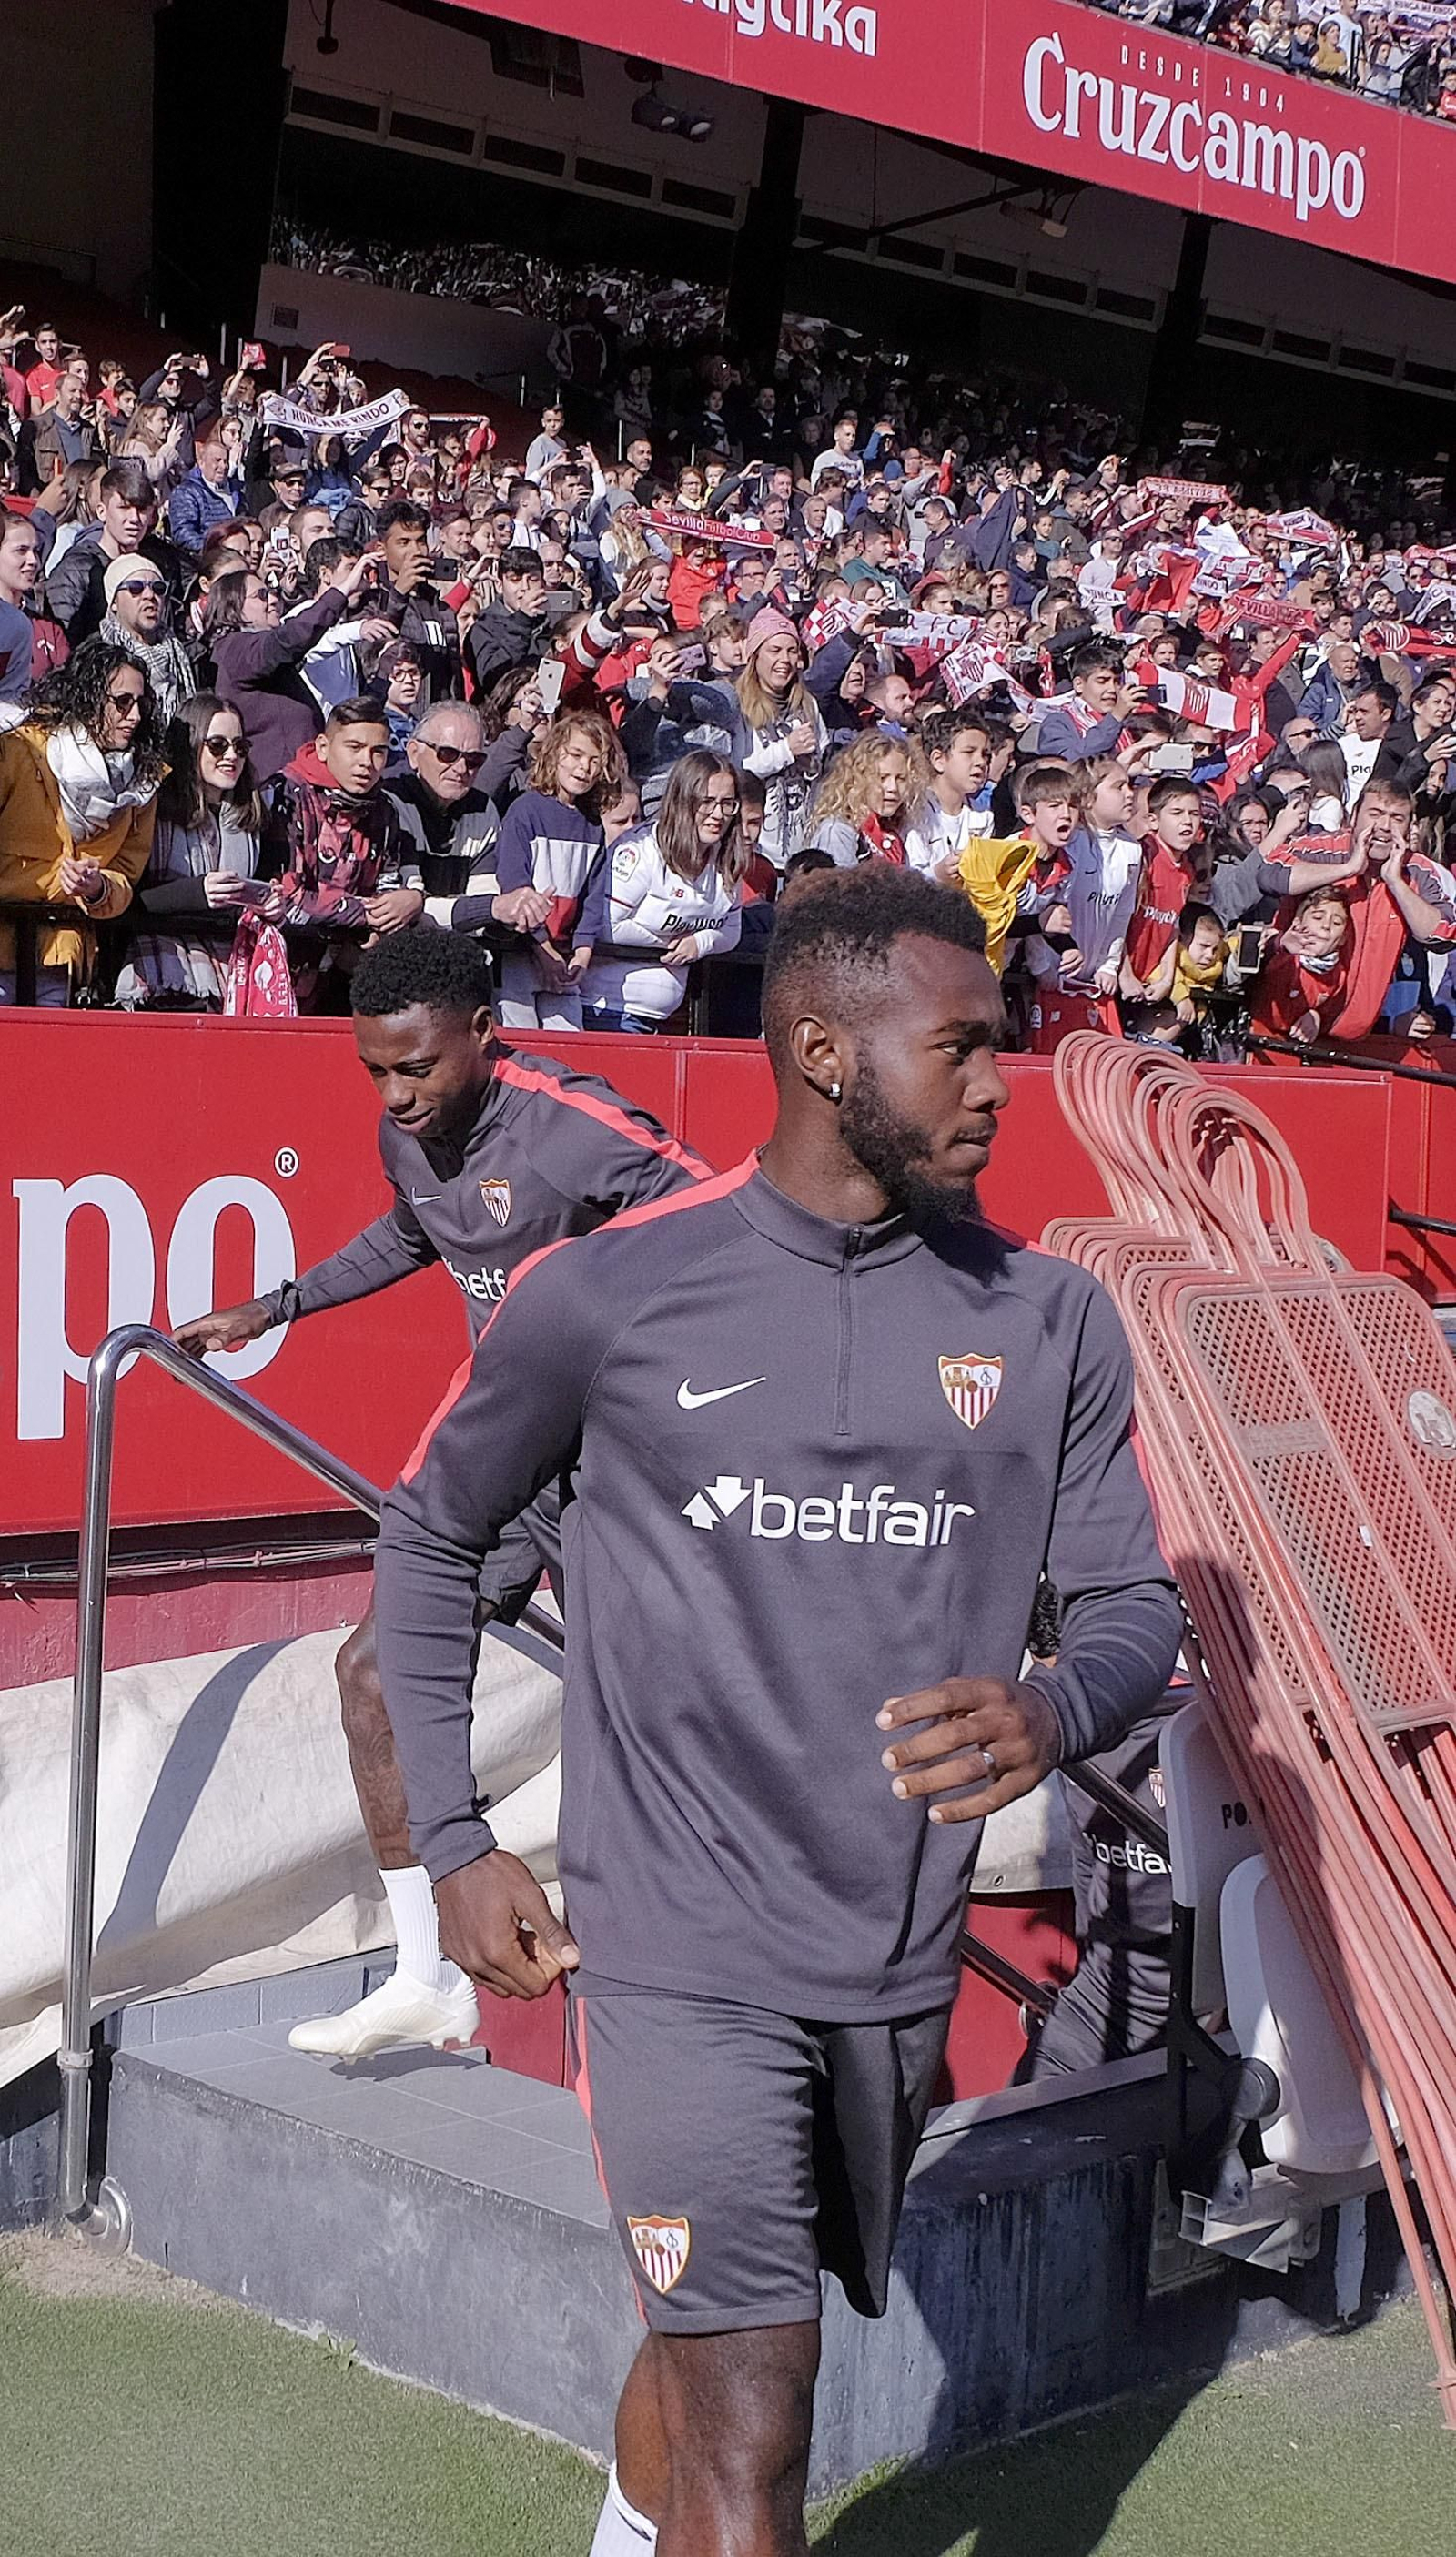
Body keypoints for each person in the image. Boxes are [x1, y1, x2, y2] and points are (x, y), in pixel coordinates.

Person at [370, 865, 1181, 2557]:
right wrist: (453, 1846)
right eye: (959, 1047)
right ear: (820, 1050)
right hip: (671, 1957)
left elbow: (1134, 1611)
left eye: (1002, 1045)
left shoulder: (1052, 1317)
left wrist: (1051, 1711)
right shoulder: (612, 1292)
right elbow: (434, 1538)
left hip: (887, 1960)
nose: (998, 1082)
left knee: (711, 2361)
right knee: (761, 2419)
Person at [175, 925, 712, 2058]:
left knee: (653, 1712)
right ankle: (429, 1975)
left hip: (628, 1464)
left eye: (417, 1066)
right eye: (376, 1069)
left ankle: (682, 1988)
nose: (398, 1093)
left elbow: (720, 1227)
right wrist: (276, 1306)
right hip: (504, 1464)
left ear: (481, 1032)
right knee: (372, 1672)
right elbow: (417, 1231)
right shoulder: (405, 1131)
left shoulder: (572, 1122)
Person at [0, 639, 164, 1004]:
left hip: (64, 952)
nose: (134, 716)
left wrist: (98, 888)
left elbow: (126, 873)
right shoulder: (21, 749)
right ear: (90, 698)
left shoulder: (143, 782)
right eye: (122, 702)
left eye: (141, 704)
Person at [113, 694, 271, 1008]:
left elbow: (267, 885)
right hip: (163, 974)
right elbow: (126, 895)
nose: (231, 756)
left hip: (234, 974)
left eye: (240, 747)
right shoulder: (152, 807)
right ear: (191, 746)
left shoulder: (251, 818)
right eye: (217, 745)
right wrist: (197, 893)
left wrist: (270, 903)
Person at [580, 751, 747, 1032]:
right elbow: (605, 925)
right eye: (706, 802)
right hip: (611, 1010)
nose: (718, 814)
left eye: (727, 804)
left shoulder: (727, 860)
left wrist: (700, 943)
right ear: (683, 801)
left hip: (670, 1016)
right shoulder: (640, 851)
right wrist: (667, 940)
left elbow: (731, 931)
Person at [491, 709, 623, 1029]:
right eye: (576, 755)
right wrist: (543, 949)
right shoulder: (525, 811)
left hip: (563, 956)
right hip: (519, 953)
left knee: (568, 1046)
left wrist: (582, 951)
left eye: (594, 760)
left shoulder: (592, 825)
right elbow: (514, 883)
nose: (584, 768)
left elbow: (592, 897)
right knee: (519, 1046)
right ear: (554, 754)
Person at [207, 549, 382, 781]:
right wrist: (341, 591)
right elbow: (290, 639)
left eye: (272, 593)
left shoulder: (254, 649)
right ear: (233, 606)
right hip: (273, 790)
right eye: (261, 595)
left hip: (297, 786)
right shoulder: (236, 648)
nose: (273, 599)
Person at [731, 611, 826, 873]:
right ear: (755, 655)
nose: (785, 659)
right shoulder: (738, 706)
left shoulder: (808, 704)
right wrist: (786, 750)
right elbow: (736, 771)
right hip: (758, 849)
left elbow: (822, 768)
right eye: (775, 650)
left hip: (803, 845)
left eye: (792, 651)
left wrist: (810, 764)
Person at [46, 460, 177, 646]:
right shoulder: (77, 568)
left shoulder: (158, 565)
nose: (134, 519)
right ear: (102, 512)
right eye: (124, 508)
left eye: (141, 510)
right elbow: (63, 638)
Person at [805, 730, 934, 868]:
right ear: (858, 779)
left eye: (901, 778)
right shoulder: (839, 831)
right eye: (882, 778)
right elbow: (841, 888)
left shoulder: (895, 829)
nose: (893, 788)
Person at [97, 554, 195, 727]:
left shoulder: (182, 653)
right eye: (136, 588)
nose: (149, 595)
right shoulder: (99, 656)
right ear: (114, 602)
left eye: (158, 588)